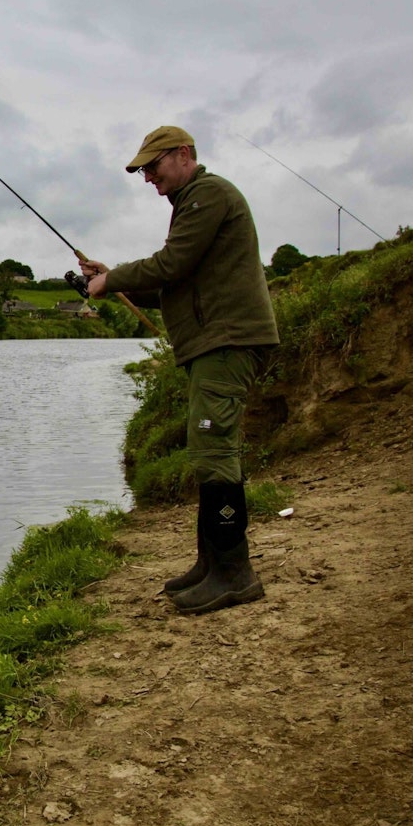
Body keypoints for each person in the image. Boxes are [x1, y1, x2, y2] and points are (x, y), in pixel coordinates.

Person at [81, 126, 279, 614]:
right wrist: (113, 280)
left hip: (228, 341)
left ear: (184, 155)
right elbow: (178, 278)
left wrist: (111, 280)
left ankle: (235, 574)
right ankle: (211, 564)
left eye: (153, 166)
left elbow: (171, 264)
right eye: (143, 170)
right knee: (206, 447)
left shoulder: (207, 194)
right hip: (215, 343)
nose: (148, 177)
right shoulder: (193, 202)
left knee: (214, 449)